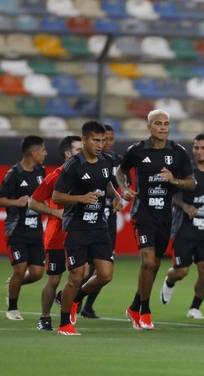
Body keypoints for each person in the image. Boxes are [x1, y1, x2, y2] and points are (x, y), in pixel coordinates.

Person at [117, 110, 196, 330]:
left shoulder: (178, 152)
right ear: (149, 126)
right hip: (143, 215)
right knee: (148, 262)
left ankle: (134, 306)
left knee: (155, 266)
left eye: (166, 124)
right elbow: (120, 171)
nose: (163, 127)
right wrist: (124, 189)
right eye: (158, 123)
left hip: (164, 217)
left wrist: (175, 180)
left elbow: (191, 183)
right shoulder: (137, 150)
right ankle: (145, 311)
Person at [52, 121, 123, 335]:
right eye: (96, 140)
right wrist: (81, 198)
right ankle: (65, 323)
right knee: (76, 275)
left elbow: (108, 184)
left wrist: (117, 195)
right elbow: (57, 196)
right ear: (84, 140)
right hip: (77, 226)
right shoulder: (73, 165)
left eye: (103, 140)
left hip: (99, 226)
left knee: (106, 275)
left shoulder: (107, 161)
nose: (101, 145)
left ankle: (76, 299)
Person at [160, 134, 204, 319]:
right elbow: (171, 195)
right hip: (185, 228)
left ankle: (195, 307)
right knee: (181, 271)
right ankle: (169, 281)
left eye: (203, 147)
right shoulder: (186, 171)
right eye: (196, 148)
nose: (199, 151)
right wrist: (184, 206)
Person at [29, 136, 82, 331]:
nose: (83, 153)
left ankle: (65, 299)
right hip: (57, 235)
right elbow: (32, 202)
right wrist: (54, 212)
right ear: (68, 153)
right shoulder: (55, 176)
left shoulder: (88, 171)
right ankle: (44, 317)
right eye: (78, 150)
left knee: (85, 272)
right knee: (54, 278)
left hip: (81, 233)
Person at [0, 135, 47, 321]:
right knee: (20, 269)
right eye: (43, 150)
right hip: (16, 230)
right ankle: (12, 308)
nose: (45, 153)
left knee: (36, 273)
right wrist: (15, 202)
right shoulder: (14, 174)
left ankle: (13, 284)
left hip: (35, 230)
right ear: (33, 152)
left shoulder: (41, 172)